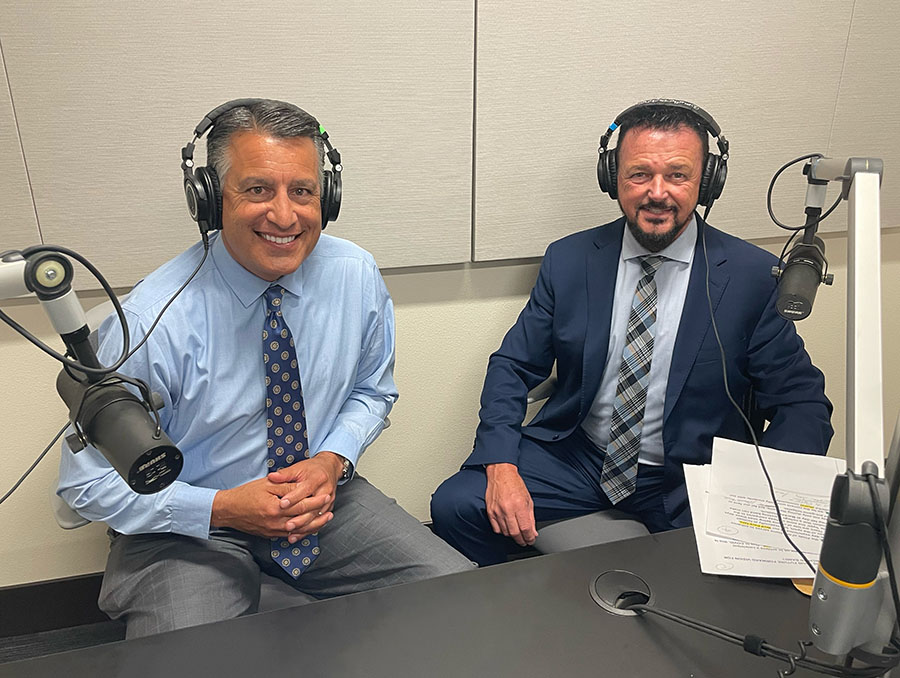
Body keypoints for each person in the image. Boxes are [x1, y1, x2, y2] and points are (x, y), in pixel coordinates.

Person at [58, 98, 472, 638]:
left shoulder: (355, 275)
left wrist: (331, 460)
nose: (284, 215)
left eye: (302, 191)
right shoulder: (149, 320)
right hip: (187, 523)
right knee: (190, 659)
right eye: (257, 190)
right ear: (208, 199)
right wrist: (225, 507)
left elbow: (372, 390)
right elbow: (83, 485)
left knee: (463, 598)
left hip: (318, 499)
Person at [430, 99, 833, 566]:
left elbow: (802, 402)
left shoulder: (752, 276)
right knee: (456, 506)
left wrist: (761, 498)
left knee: (710, 589)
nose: (657, 192)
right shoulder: (571, 259)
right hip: (578, 458)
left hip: (689, 477)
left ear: (706, 183)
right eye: (639, 174)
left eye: (678, 175)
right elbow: (513, 366)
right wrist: (500, 465)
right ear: (612, 178)